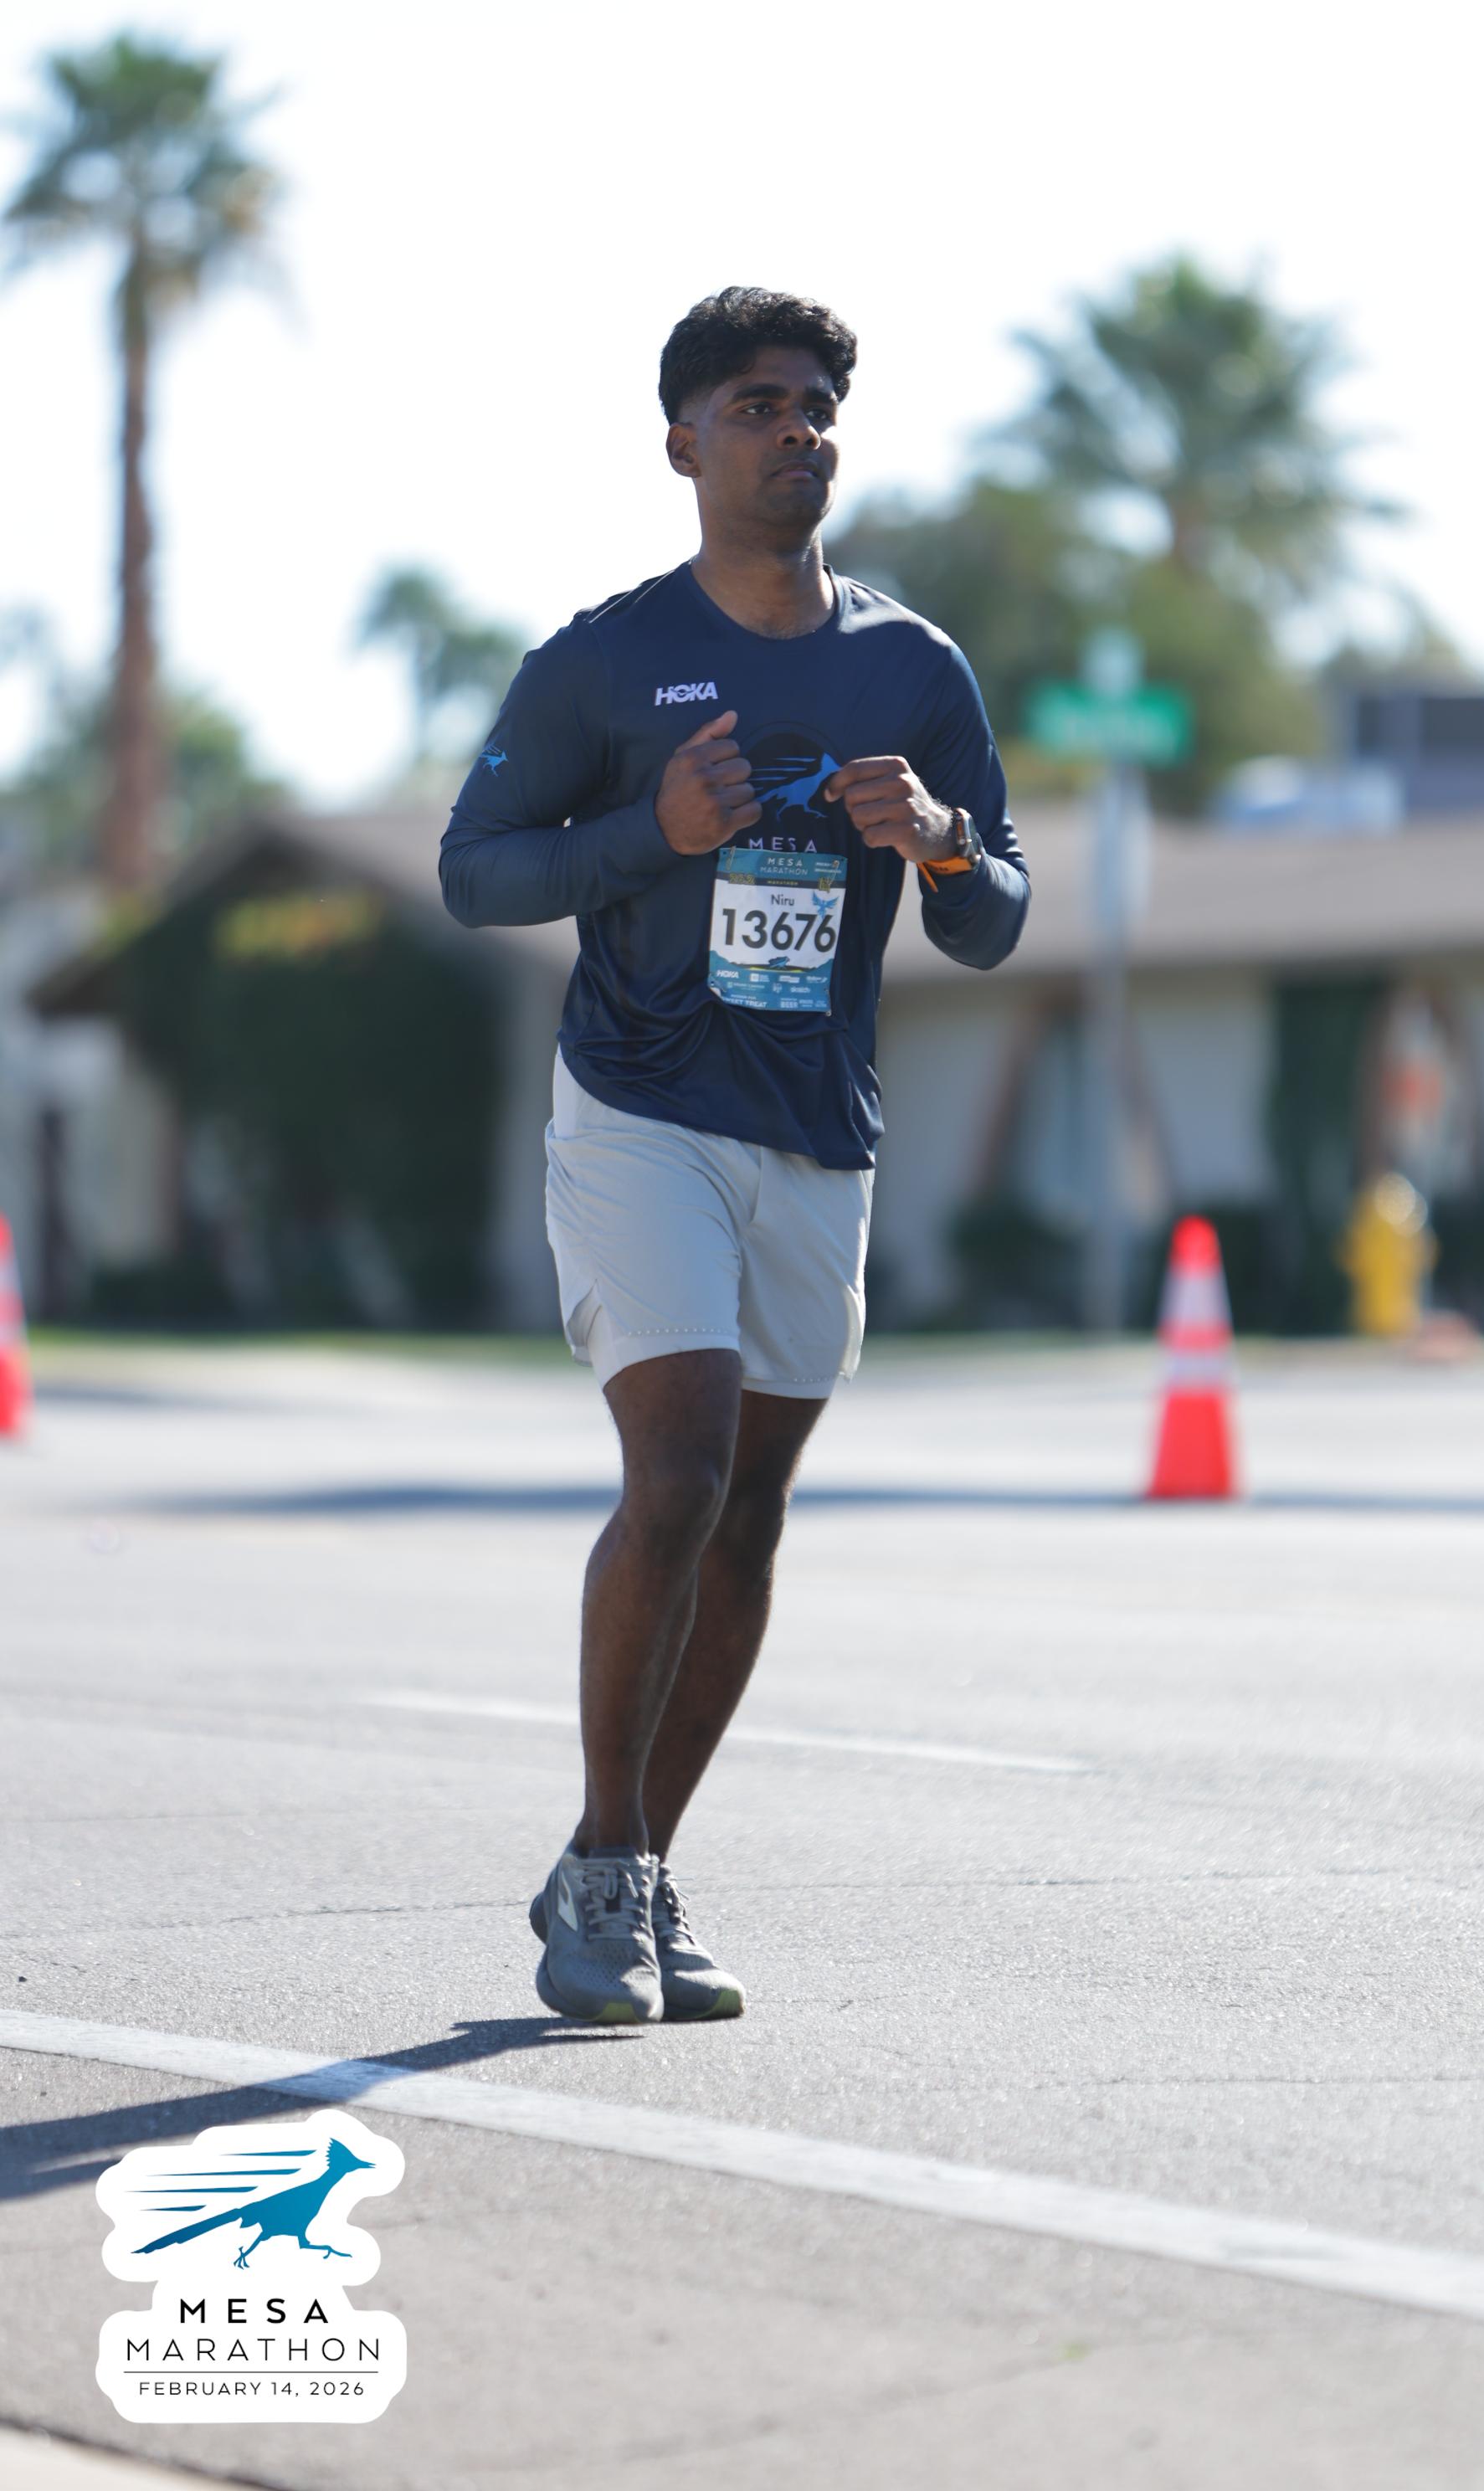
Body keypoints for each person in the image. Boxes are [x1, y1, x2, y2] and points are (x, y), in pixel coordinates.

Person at [439, 286, 1030, 2025]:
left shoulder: (912, 669)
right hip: (638, 1109)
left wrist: (940, 841)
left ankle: (628, 1865)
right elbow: (477, 871)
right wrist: (654, 827)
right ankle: (605, 1870)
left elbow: (995, 916)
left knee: (751, 1515)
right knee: (682, 1470)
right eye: (760, 406)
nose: (797, 433)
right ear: (682, 443)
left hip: (817, 1130)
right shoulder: (607, 660)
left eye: (817, 407)